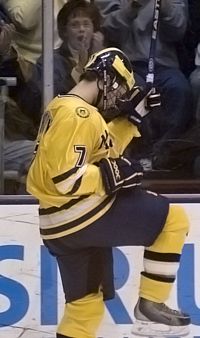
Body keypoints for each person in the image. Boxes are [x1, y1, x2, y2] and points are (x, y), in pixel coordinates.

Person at [26, 47, 191, 337]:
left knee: (85, 306)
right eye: (121, 89)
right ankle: (152, 301)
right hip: (79, 214)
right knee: (174, 219)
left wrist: (132, 119)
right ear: (107, 78)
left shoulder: (62, 107)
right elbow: (67, 179)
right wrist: (110, 174)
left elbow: (98, 150)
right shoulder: (79, 113)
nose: (120, 98)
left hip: (58, 226)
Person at [95, 0, 193, 162]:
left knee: (180, 90)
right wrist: (131, 8)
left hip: (164, 65)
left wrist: (166, 7)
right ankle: (138, 151)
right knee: (135, 93)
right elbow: (108, 30)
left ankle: (164, 152)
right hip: (125, 64)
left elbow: (178, 31)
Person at [18, 0, 106, 127]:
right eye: (74, 25)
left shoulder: (105, 56)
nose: (81, 30)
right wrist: (79, 70)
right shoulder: (51, 61)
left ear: (95, 30)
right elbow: (54, 102)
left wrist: (101, 61)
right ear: (64, 31)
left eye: (86, 24)